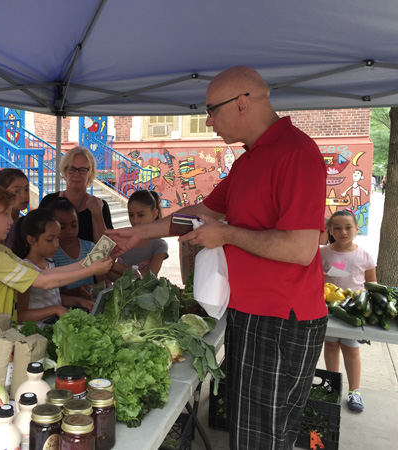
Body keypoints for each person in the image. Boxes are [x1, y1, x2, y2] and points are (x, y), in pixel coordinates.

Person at [107, 66, 328, 450]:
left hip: (280, 318)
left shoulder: (296, 153)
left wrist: (225, 235)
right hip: (250, 313)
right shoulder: (247, 161)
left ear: (242, 103)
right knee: (248, 427)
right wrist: (139, 232)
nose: (209, 122)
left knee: (262, 436)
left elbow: (300, 248)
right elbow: (201, 212)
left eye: (211, 110)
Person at [0, 181, 112, 338]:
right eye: (4, 214)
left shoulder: (0, 251)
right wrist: (91, 270)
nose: (11, 221)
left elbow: (43, 273)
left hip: (2, 336)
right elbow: (45, 281)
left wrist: (90, 262)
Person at [321, 210, 376, 413]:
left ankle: (355, 391)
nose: (343, 232)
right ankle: (331, 385)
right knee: (331, 346)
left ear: (356, 229)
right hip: (329, 311)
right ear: (330, 230)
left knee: (351, 349)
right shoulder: (323, 253)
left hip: (352, 313)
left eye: (348, 227)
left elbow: (372, 283)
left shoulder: (364, 256)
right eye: (337, 228)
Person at [12, 208, 96, 323]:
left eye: (57, 238)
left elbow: (55, 297)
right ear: (31, 239)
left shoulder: (49, 262)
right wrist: (55, 310)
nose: (56, 244)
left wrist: (80, 302)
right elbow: (21, 316)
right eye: (50, 239)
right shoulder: (25, 268)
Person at [39, 146, 113, 243]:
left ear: (90, 172)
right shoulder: (49, 201)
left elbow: (105, 248)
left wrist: (97, 213)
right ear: (65, 171)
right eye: (72, 169)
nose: (76, 174)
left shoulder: (101, 206)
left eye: (82, 170)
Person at [107, 189, 168, 281]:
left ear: (154, 214)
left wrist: (116, 267)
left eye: (141, 215)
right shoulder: (121, 239)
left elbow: (149, 278)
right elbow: (106, 271)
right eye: (131, 215)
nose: (135, 220)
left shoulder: (159, 245)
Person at [49, 197, 100, 299]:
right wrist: (77, 291)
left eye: (74, 225)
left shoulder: (90, 247)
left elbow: (102, 279)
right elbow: (57, 291)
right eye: (62, 227)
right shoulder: (52, 253)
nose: (70, 231)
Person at [0, 168, 30, 249]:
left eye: (27, 189)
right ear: (1, 192)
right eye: (16, 191)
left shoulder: (22, 223)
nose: (25, 195)